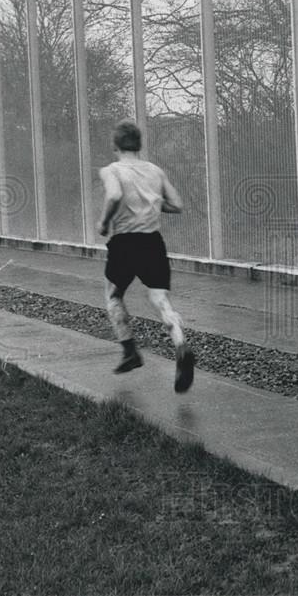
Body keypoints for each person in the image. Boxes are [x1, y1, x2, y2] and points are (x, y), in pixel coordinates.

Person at [98, 119, 195, 393]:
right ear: (139, 145)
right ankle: (180, 344)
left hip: (124, 242)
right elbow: (177, 205)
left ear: (115, 145)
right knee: (160, 298)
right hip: (152, 243)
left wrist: (104, 223)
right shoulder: (155, 171)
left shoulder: (111, 170)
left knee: (113, 296)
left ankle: (130, 350)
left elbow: (115, 195)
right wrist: (150, 202)